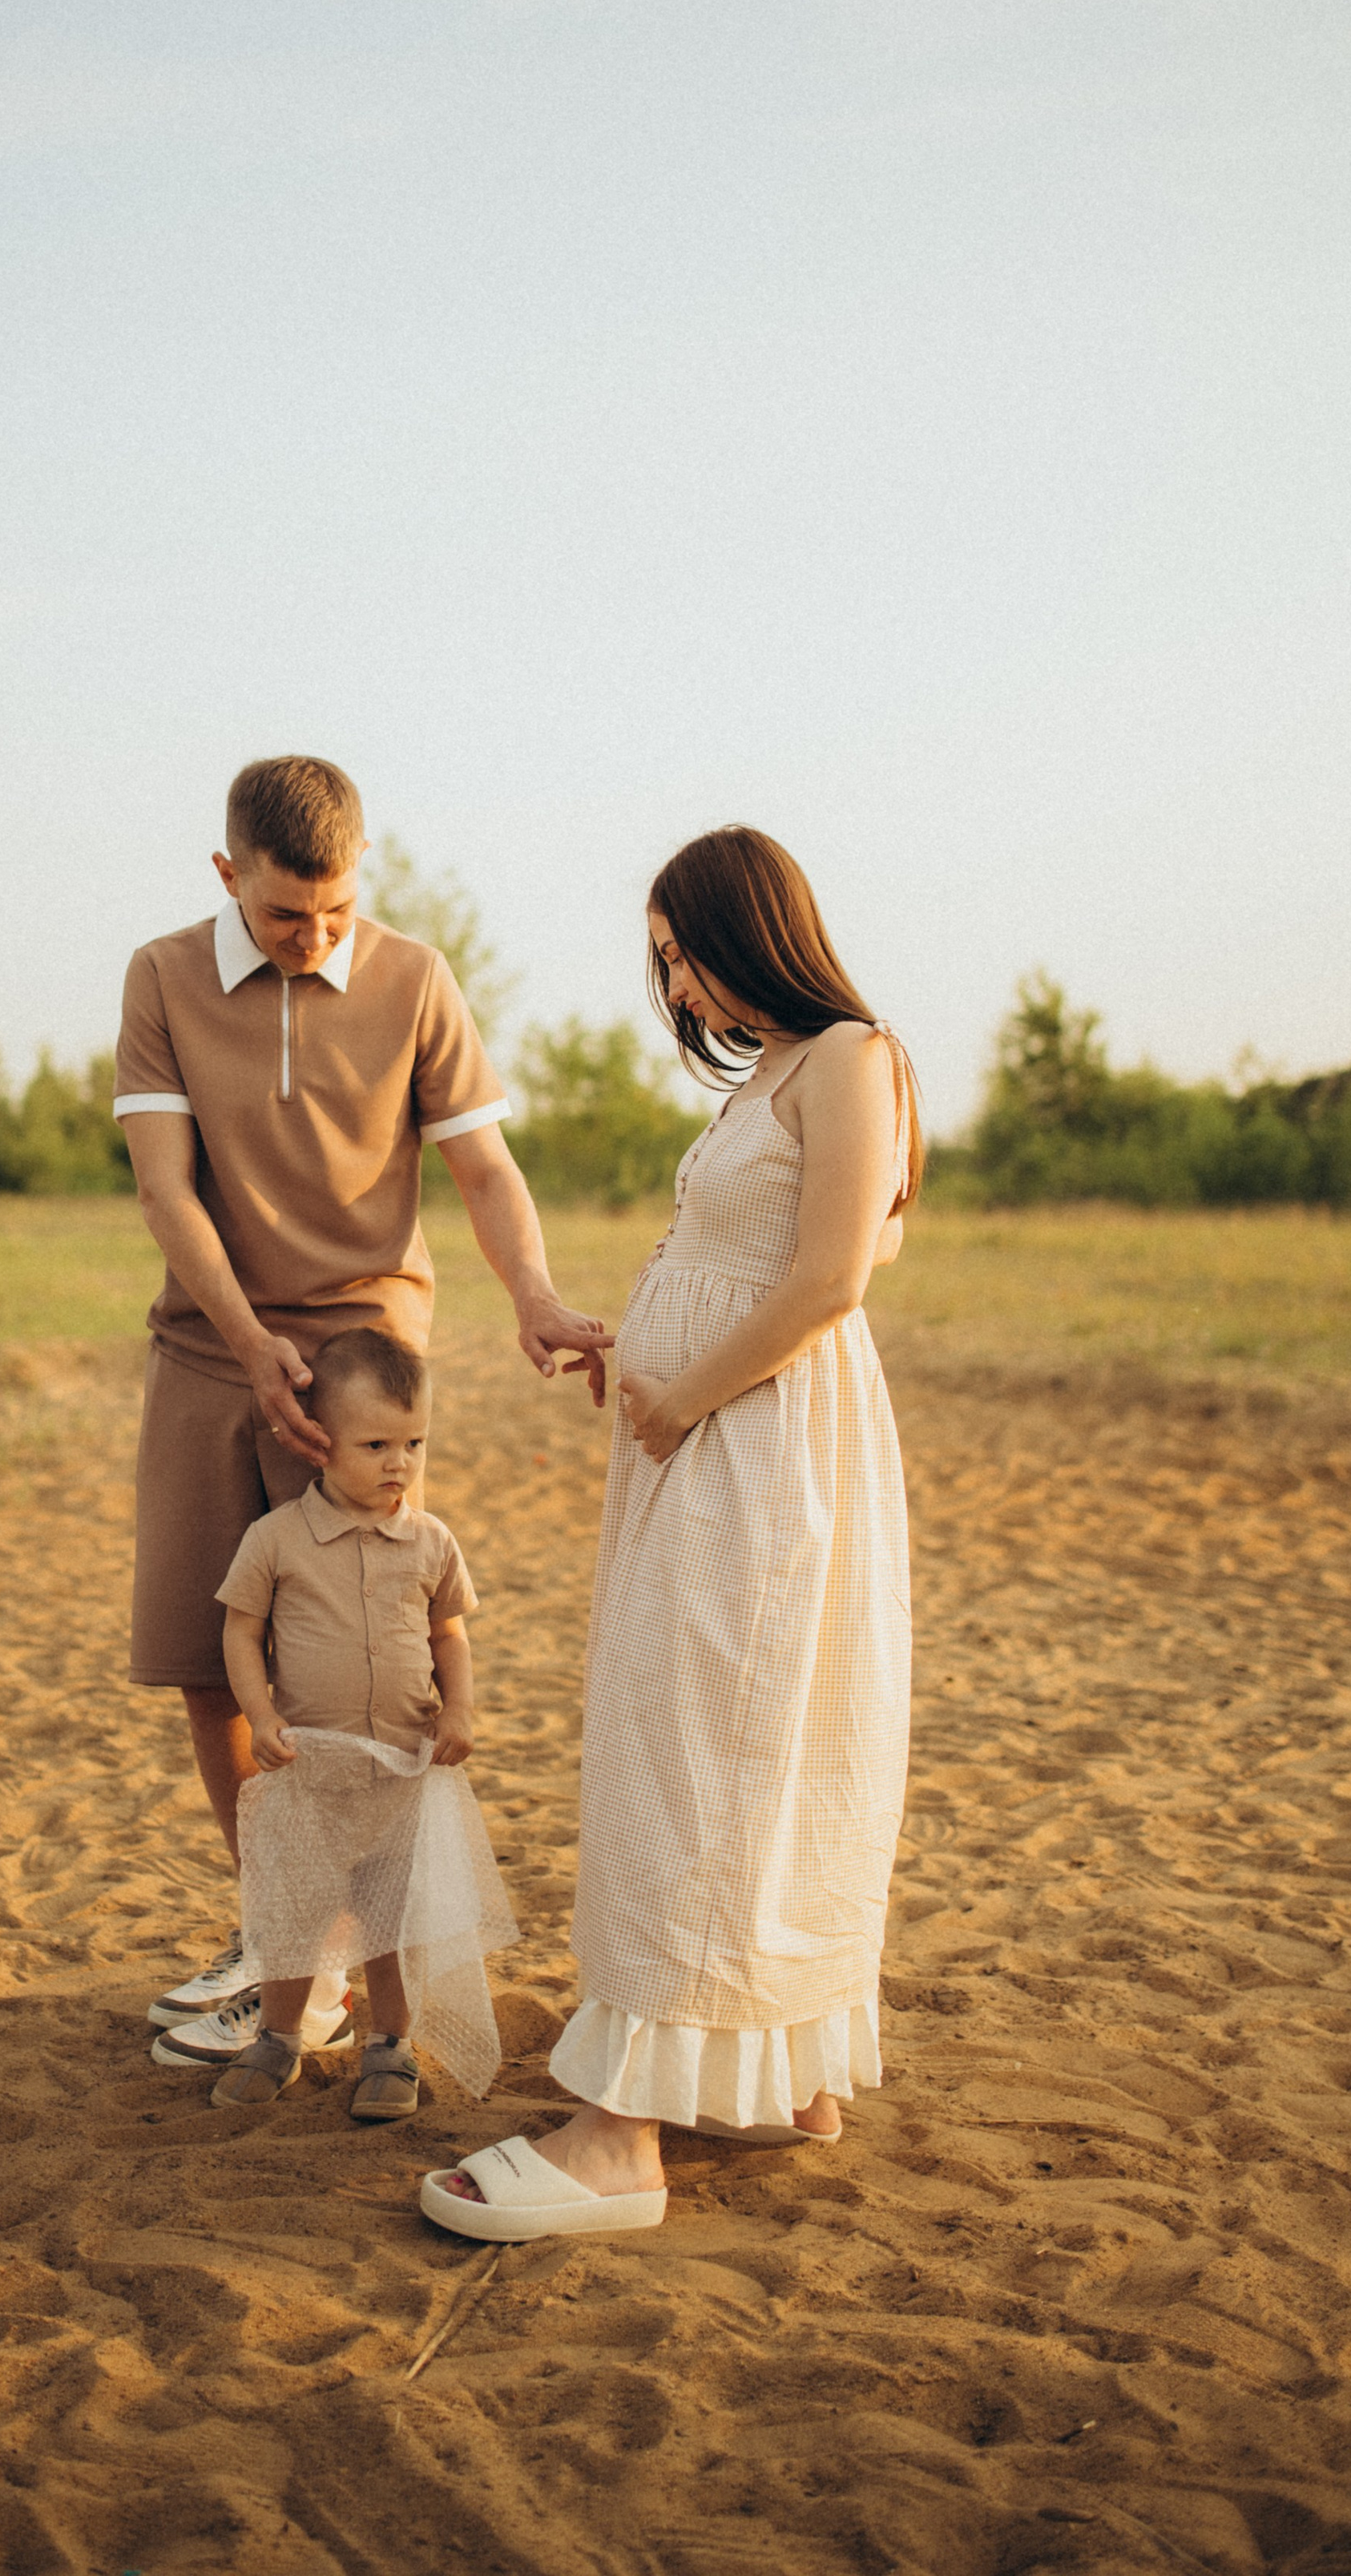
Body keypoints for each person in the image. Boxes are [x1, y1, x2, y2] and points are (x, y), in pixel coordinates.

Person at [420, 826, 920, 2239]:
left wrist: (685, 1391)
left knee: (713, 1751)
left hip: (753, 1453)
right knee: (710, 1745)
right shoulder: (770, 1076)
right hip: (701, 1444)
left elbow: (828, 1274)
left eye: (680, 951)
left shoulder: (850, 1058)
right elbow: (730, 1259)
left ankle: (619, 2139)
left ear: (746, 929)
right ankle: (780, 2078)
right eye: (665, 962)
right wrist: (627, 1345)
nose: (676, 986)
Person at [116, 754, 606, 2067]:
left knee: (356, 1672)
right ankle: (286, 1927)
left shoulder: (413, 981)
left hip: (366, 1360)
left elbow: (486, 1169)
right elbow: (168, 1193)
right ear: (228, 877)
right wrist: (245, 1338)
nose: (316, 937)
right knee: (207, 1655)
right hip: (213, 1349)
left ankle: (338, 1962)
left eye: (336, 911)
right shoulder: (162, 978)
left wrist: (536, 1295)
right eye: (286, 914)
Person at [206, 1328, 513, 2119]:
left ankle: (390, 2047)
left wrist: (460, 1709)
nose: (398, 1464)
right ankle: (278, 2038)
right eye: (375, 1443)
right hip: (310, 1775)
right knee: (294, 1912)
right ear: (317, 1444)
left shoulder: (429, 1541)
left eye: (413, 1443)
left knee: (394, 1917)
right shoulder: (275, 1541)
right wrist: (261, 1713)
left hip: (402, 1774)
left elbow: (450, 1635)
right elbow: (241, 1632)